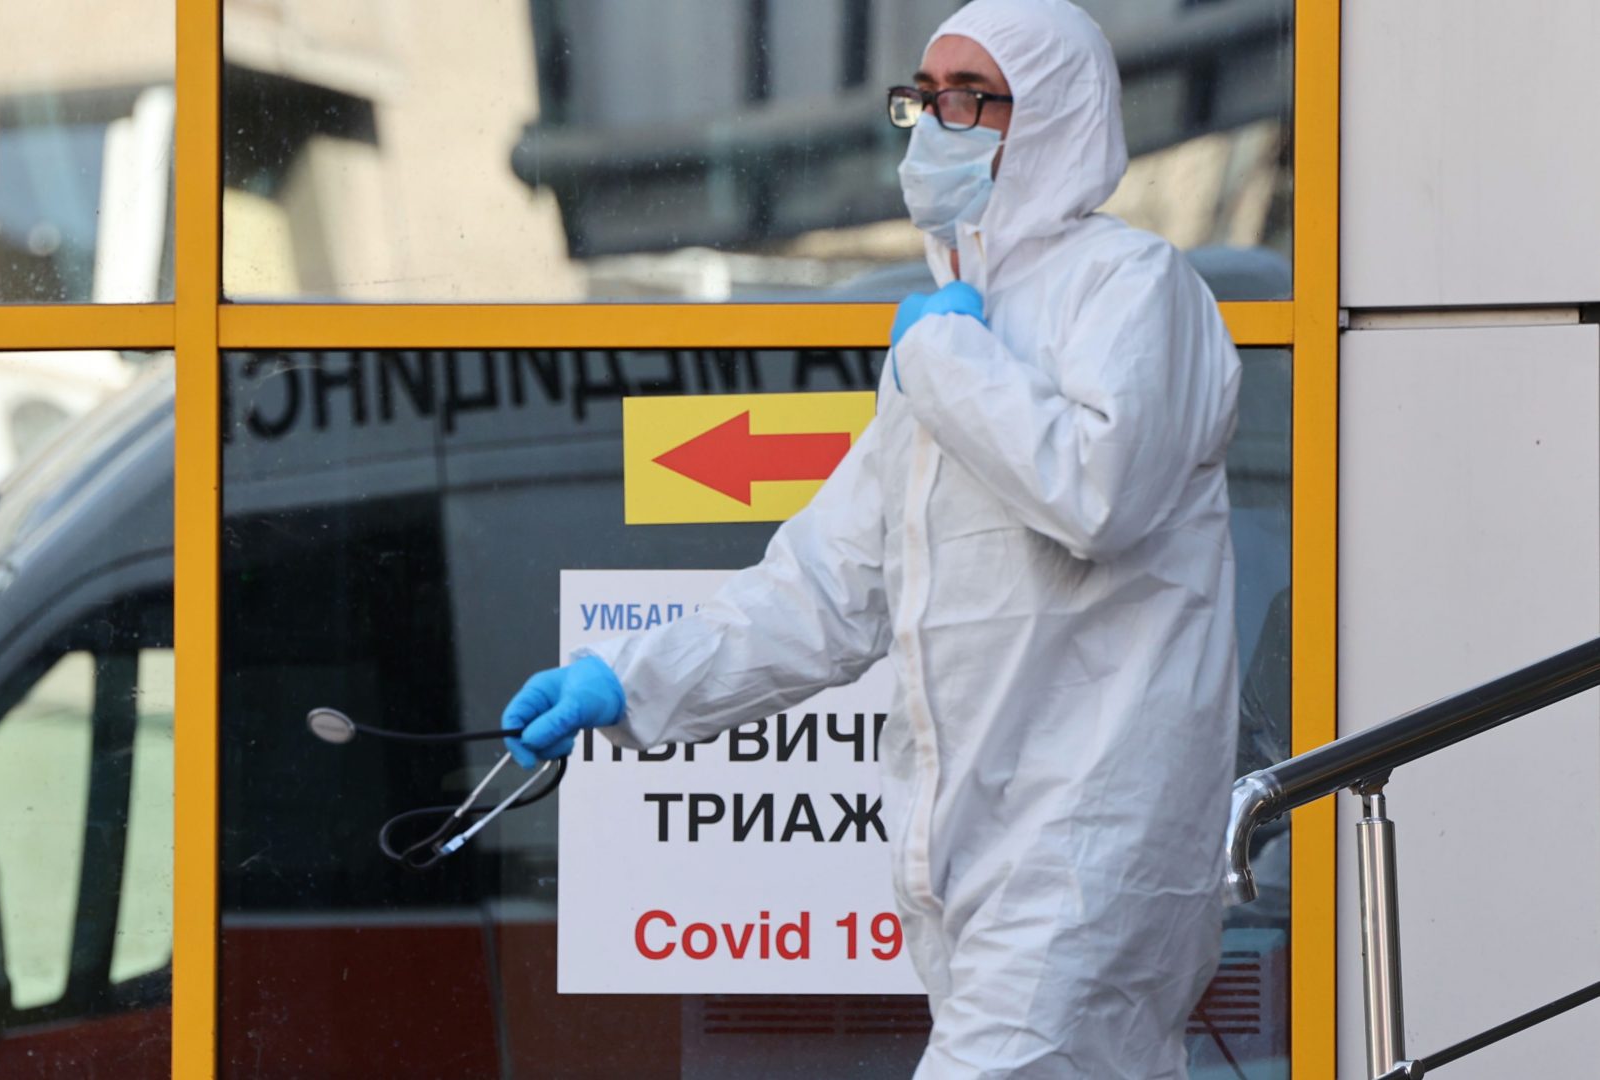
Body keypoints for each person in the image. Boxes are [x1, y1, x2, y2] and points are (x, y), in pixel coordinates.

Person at [501, 1, 1241, 1075]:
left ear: (1057, 114)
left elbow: (1100, 494)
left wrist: (943, 360)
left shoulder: (1131, 287)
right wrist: (629, 679)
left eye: (970, 97)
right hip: (971, 855)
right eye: (924, 97)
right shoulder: (950, 325)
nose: (935, 124)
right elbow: (823, 588)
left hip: (1090, 844)